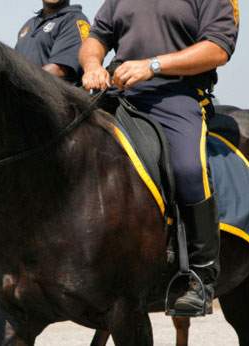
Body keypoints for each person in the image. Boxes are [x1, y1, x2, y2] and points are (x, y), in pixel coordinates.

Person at [79, 0, 239, 315]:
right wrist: (92, 65)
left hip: (175, 95)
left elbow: (218, 49)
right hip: (119, 93)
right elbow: (95, 38)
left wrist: (152, 65)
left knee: (188, 169)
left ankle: (200, 276)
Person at [15, 0, 90, 84]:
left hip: (55, 95)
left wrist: (18, 81)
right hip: (22, 94)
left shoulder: (75, 20)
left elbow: (59, 70)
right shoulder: (28, 25)